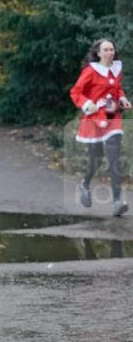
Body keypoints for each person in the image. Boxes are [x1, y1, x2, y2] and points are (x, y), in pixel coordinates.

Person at [70, 38, 130, 217]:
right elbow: (76, 92)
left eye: (112, 49)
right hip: (94, 117)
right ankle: (85, 183)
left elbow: (117, 89)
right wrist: (88, 104)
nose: (110, 53)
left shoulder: (116, 68)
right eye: (106, 50)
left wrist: (122, 99)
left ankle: (117, 202)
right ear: (98, 53)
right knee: (95, 159)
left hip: (112, 117)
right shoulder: (91, 71)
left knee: (114, 158)